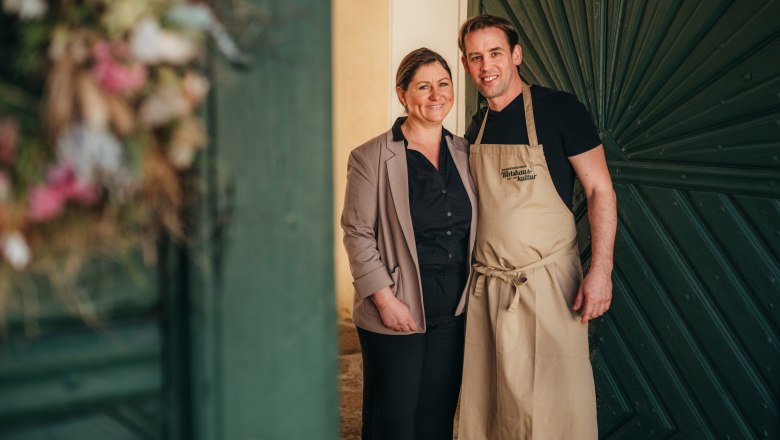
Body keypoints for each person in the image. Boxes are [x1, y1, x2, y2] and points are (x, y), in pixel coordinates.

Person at [456, 14, 617, 440]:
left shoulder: (560, 110)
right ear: (466, 64)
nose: (486, 65)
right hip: (488, 289)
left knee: (555, 412)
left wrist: (601, 271)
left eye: (495, 53)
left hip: (548, 286)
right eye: (476, 57)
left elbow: (600, 189)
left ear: (516, 55)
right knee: (490, 413)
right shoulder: (476, 125)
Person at [341, 48, 477, 440]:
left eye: (443, 84)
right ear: (402, 94)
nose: (436, 95)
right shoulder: (370, 157)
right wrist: (385, 300)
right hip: (398, 304)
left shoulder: (466, 152)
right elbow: (356, 232)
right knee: (394, 423)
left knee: (435, 421)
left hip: (454, 308)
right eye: (423, 86)